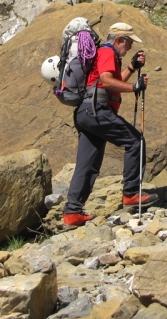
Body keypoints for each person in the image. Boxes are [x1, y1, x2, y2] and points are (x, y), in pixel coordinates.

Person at [63, 22, 159, 227]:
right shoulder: (107, 52)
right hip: (96, 111)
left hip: (85, 113)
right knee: (136, 142)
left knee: (87, 164)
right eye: (129, 42)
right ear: (119, 40)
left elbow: (114, 83)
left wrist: (132, 67)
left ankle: (72, 213)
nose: (131, 46)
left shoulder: (107, 55)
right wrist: (135, 87)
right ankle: (132, 194)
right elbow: (107, 82)